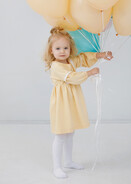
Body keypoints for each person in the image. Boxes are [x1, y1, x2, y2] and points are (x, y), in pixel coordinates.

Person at [43, 27, 113, 179]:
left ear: (70, 49)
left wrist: (101, 54)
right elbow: (73, 77)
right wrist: (89, 73)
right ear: (51, 51)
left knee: (70, 132)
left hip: (71, 102)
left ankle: (68, 161)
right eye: (58, 48)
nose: (62, 51)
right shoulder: (56, 66)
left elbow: (83, 58)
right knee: (61, 134)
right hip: (62, 104)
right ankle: (57, 166)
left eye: (66, 48)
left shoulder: (70, 61)